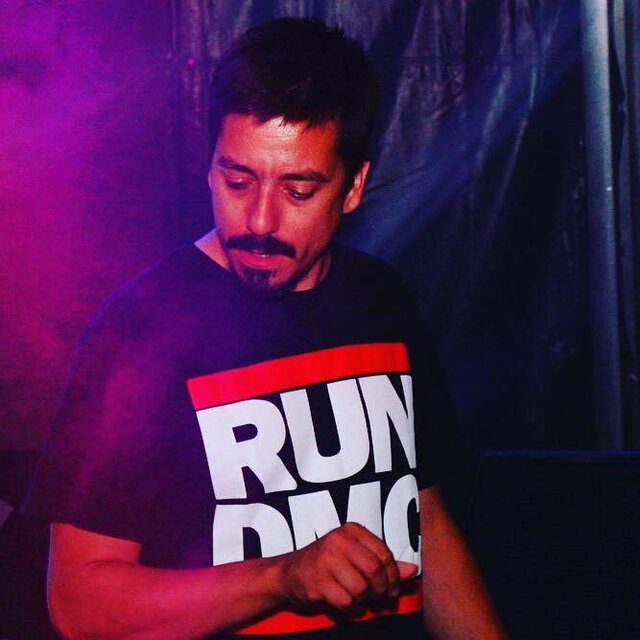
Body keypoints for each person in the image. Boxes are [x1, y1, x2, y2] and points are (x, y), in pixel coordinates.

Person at [27, 17, 506, 640]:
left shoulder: (382, 299)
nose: (259, 220)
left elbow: (428, 524)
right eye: (238, 181)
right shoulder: (140, 331)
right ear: (209, 169)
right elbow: (79, 606)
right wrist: (282, 577)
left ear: (353, 187)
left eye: (298, 190)